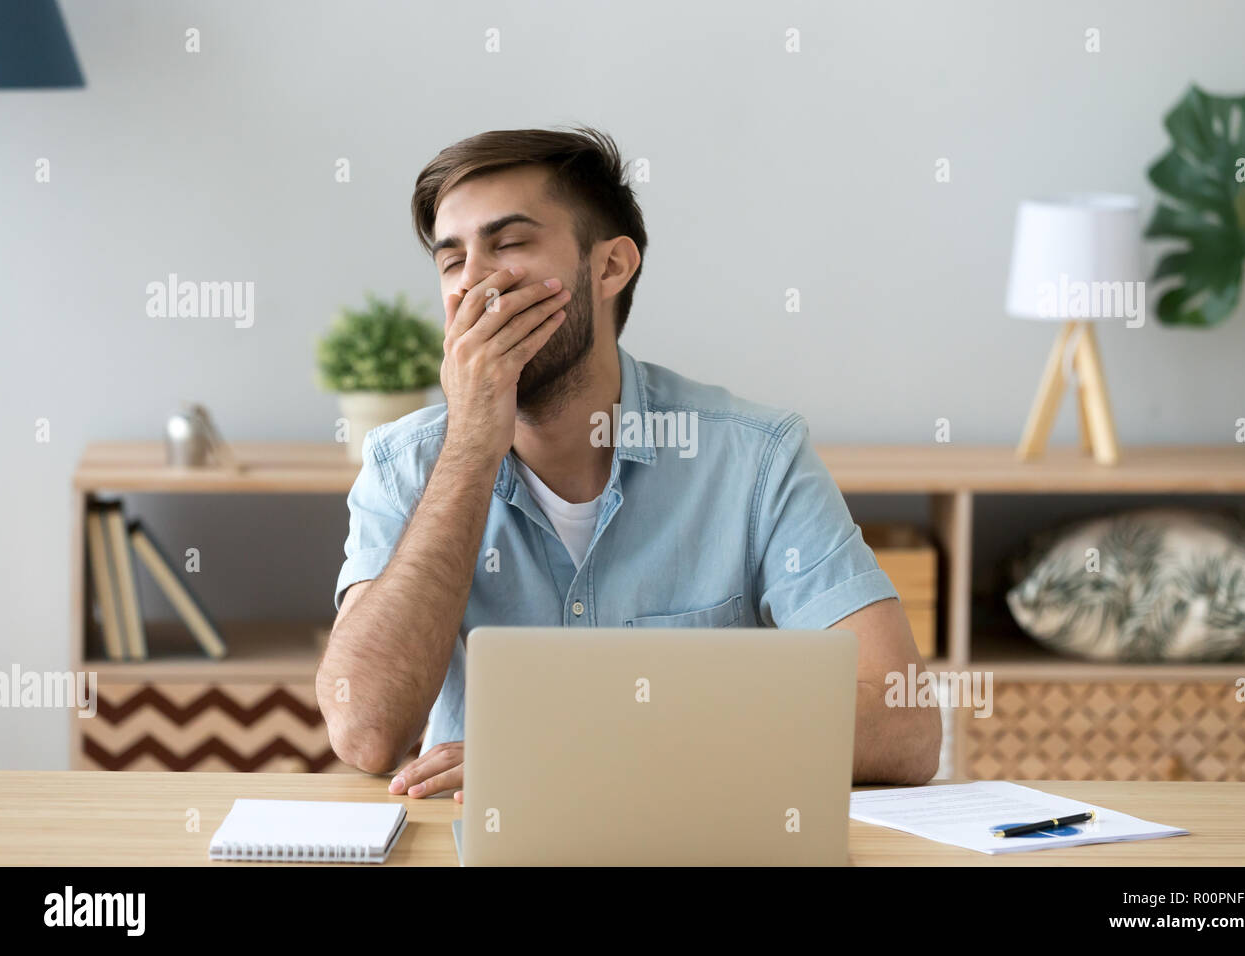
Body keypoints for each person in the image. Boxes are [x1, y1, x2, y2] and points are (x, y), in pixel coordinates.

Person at [316, 127, 941, 799]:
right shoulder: (402, 465)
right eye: (451, 260)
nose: (474, 285)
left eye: (511, 244)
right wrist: (470, 446)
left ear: (610, 267)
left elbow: (904, 727)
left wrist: (591, 750)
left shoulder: (755, 459)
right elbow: (366, 732)